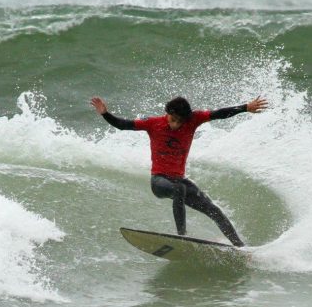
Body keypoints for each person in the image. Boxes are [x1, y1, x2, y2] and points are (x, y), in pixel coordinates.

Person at [90, 95, 268, 247]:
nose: (175, 125)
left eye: (180, 122)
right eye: (172, 119)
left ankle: (240, 247)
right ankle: (181, 236)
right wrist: (105, 114)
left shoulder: (193, 120)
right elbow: (123, 125)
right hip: (159, 181)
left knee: (214, 210)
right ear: (167, 114)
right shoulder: (153, 123)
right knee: (178, 189)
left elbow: (218, 114)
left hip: (179, 179)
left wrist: (245, 108)